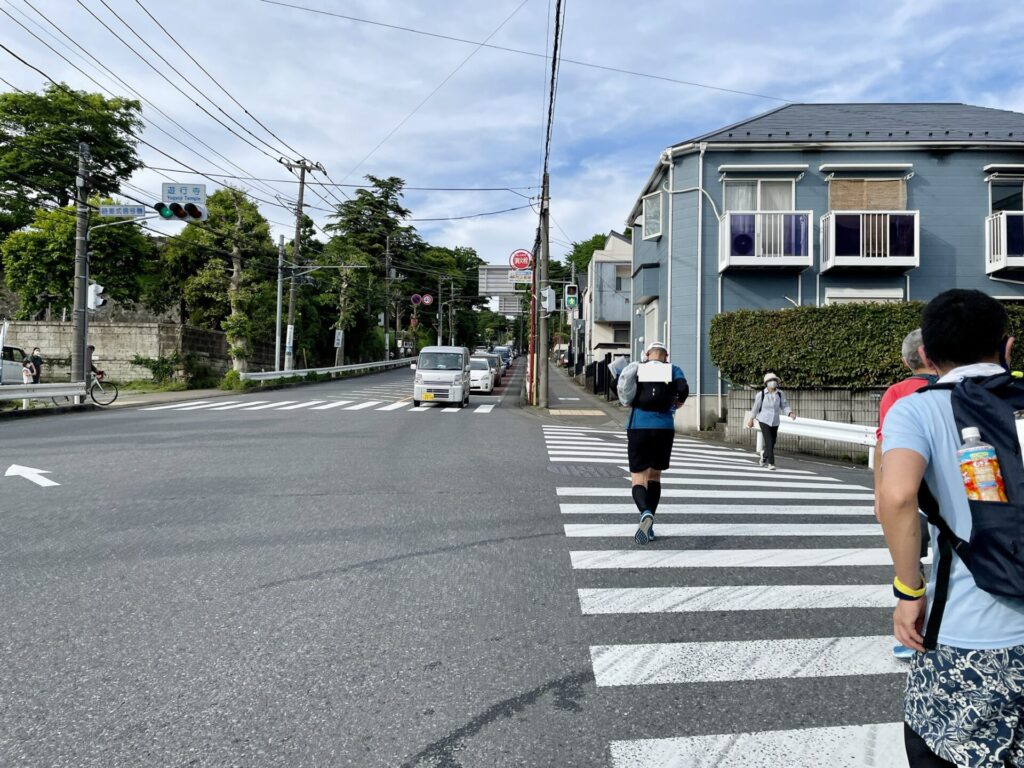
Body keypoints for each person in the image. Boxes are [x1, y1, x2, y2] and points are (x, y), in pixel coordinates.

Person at [879, 289, 1024, 766]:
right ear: (1008, 347)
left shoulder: (917, 408)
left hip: (969, 633)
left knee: (942, 748)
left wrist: (908, 589)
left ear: (925, 355)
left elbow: (897, 497)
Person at [873, 329, 937, 661]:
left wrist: (879, 491)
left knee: (910, 563)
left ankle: (911, 634)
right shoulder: (957, 387)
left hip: (909, 491)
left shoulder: (897, 392)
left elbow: (884, 443)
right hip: (955, 494)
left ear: (906, 361)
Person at [618, 341, 689, 545]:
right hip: (664, 428)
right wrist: (678, 402)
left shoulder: (639, 367)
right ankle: (650, 526)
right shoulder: (673, 369)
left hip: (639, 425)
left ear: (647, 353)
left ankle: (645, 513)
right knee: (655, 476)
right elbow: (683, 388)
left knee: (638, 478)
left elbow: (621, 387)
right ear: (666, 355)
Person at [745, 373, 796, 470]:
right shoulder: (761, 394)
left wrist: (790, 413)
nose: (773, 382)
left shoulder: (780, 393)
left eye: (774, 380)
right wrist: (751, 419)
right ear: (766, 383)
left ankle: (764, 456)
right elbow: (755, 408)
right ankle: (771, 463)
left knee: (773, 442)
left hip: (775, 421)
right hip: (763, 420)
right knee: (769, 441)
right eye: (770, 380)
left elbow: (784, 405)